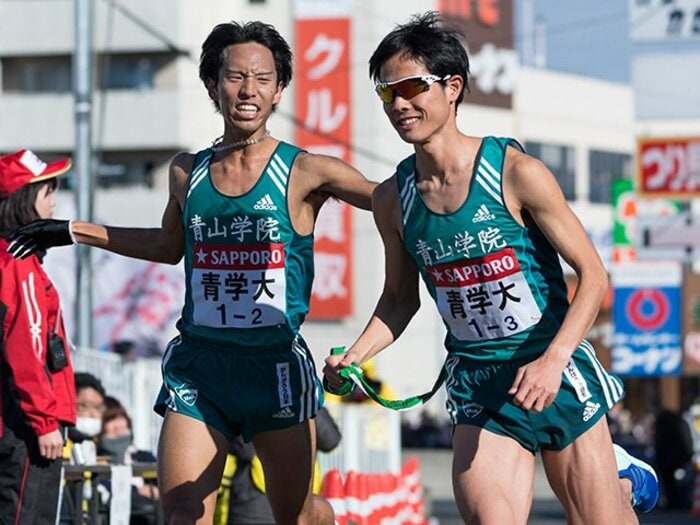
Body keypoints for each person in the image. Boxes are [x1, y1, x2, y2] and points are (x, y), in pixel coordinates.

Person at [8, 20, 375, 524]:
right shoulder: (187, 170)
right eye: (235, 76)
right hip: (199, 367)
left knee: (294, 513)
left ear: (280, 89)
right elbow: (166, 246)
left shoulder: (307, 171)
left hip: (274, 366)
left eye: (263, 79)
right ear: (212, 85)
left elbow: (396, 204)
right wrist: (71, 228)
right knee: (181, 510)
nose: (248, 90)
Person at [323, 12, 658, 525]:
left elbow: (593, 275)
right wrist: (354, 355)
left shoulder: (516, 173)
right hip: (480, 385)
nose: (400, 104)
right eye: (387, 93)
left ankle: (618, 482)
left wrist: (553, 360)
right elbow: (399, 299)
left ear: (452, 87)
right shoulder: (394, 199)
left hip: (552, 370)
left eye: (412, 87)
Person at [0, 149, 76, 525]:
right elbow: (25, 349)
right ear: (25, 201)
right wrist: (45, 423)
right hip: (23, 429)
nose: (54, 202)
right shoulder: (19, 262)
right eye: (48, 193)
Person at [215, 407, 341, 525]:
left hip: (274, 502)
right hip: (253, 502)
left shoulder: (300, 395)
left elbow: (330, 439)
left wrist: (306, 400)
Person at [98, 396, 161, 525]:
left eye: (121, 418)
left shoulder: (144, 457)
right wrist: (137, 490)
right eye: (110, 420)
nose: (118, 425)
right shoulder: (97, 459)